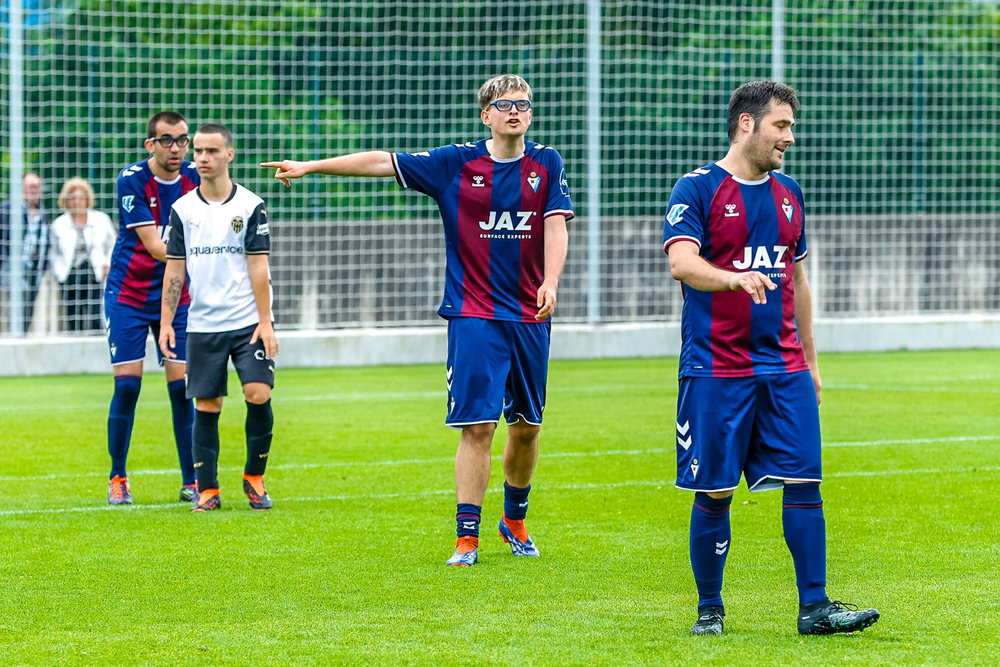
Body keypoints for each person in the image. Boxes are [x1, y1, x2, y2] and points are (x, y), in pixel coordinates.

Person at [263, 73, 573, 565]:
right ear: (485, 115)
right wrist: (311, 166)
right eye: (505, 104)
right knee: (478, 426)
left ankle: (513, 520)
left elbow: (555, 226)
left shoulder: (547, 163)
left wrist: (551, 280)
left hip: (531, 316)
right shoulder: (456, 162)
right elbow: (382, 161)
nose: (516, 110)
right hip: (473, 313)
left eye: (524, 104)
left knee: (527, 427)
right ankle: (466, 538)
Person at [663, 81, 879, 636]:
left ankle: (815, 607)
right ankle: (709, 609)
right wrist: (734, 280)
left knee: (805, 481)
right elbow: (683, 265)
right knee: (715, 488)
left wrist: (810, 361)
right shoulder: (697, 188)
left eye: (790, 126)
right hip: (716, 367)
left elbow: (798, 280)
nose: (789, 136)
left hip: (784, 369)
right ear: (746, 124)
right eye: (780, 125)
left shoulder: (789, 192)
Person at [160, 124, 277, 513]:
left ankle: (254, 477)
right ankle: (208, 489)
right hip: (203, 326)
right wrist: (165, 323)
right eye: (199, 152)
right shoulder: (182, 210)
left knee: (257, 393)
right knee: (208, 405)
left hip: (247, 322)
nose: (203, 158)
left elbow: (258, 267)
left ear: (229, 155)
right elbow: (174, 271)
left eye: (212, 151)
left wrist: (266, 321)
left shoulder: (250, 205)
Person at [104, 111, 200, 505]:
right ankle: (118, 477)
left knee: (182, 389)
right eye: (166, 140)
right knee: (128, 386)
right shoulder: (132, 181)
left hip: (176, 297)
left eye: (181, 139)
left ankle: (192, 480)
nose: (175, 148)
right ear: (150, 145)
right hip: (128, 295)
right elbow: (157, 247)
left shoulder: (198, 177)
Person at [49, 177, 116, 331]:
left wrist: (109, 264)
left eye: (80, 198)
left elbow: (112, 244)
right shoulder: (59, 225)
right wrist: (59, 273)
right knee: (73, 320)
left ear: (87, 199)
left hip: (94, 274)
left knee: (95, 318)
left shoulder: (101, 220)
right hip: (70, 276)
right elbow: (53, 253)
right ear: (66, 201)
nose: (77, 202)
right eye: (72, 198)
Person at [0, 172, 50, 332]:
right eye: (31, 187)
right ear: (21, 188)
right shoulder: (7, 210)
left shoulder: (43, 213)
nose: (35, 190)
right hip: (11, 272)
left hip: (34, 273)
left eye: (37, 187)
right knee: (11, 314)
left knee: (27, 315)